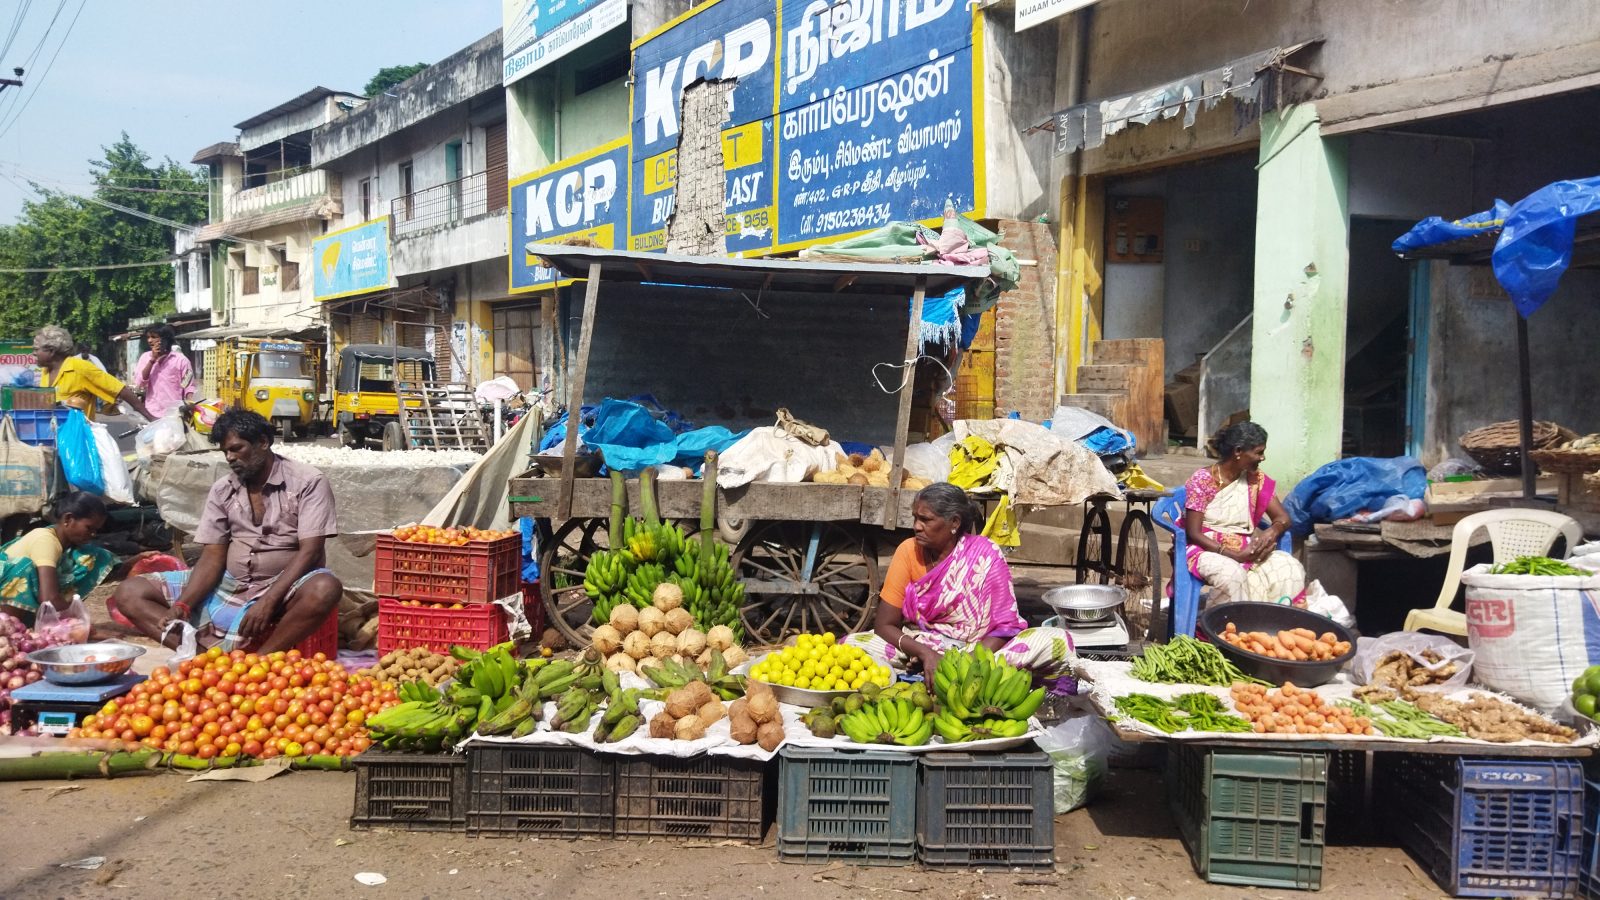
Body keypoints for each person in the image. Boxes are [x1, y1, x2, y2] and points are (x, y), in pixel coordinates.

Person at [113, 409, 342, 652]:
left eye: (236, 448)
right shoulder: (223, 489)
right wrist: (183, 605)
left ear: (263, 442)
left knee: (325, 588)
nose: (230, 458)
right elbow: (213, 555)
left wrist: (268, 600)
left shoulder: (307, 481)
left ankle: (260, 661)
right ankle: (202, 659)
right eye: (225, 452)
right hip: (231, 582)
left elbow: (310, 551)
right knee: (129, 592)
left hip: (284, 585)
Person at [844, 482, 1076, 679]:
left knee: (1055, 641)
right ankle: (930, 666)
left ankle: (954, 672)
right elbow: (884, 624)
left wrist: (962, 663)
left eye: (925, 519)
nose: (916, 526)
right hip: (924, 643)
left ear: (954, 523)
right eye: (915, 518)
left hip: (979, 651)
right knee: (851, 646)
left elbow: (1005, 627)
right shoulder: (907, 551)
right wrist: (925, 653)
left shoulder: (985, 554)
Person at [1183, 421, 1306, 605]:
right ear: (1238, 451)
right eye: (1258, 452)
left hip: (1247, 548)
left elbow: (1283, 518)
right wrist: (1234, 556)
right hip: (1205, 549)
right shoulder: (1203, 480)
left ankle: (1273, 620)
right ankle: (1226, 622)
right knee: (1232, 575)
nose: (1263, 458)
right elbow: (1193, 533)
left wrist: (1271, 532)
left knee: (1289, 567)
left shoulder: (1255, 479)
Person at [0, 492, 118, 625]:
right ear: (68, 519)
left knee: (96, 556)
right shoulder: (45, 540)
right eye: (89, 528)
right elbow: (49, 598)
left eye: (96, 530)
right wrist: (79, 622)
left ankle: (31, 622)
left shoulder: (68, 545)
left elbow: (113, 568)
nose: (93, 534)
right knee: (24, 570)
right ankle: (9, 625)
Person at [32, 325, 154, 421]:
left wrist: (151, 418)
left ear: (51, 351)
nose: (34, 353)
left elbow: (120, 389)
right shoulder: (46, 372)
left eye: (36, 349)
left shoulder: (79, 368)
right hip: (52, 437)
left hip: (79, 439)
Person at [131, 323, 197, 419]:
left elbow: (188, 386)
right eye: (148, 337)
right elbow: (140, 383)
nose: (149, 340)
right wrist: (152, 360)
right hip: (151, 413)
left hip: (174, 414)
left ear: (165, 339)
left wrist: (190, 407)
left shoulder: (181, 361)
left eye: (154, 337)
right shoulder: (145, 358)